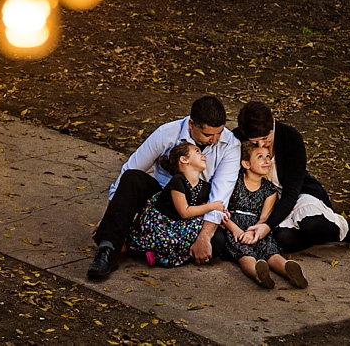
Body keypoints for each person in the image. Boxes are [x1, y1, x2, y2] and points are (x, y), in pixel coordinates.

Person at [88, 96, 241, 279]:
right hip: (158, 204)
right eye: (208, 135)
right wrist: (112, 216)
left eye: (219, 133)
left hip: (193, 211)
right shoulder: (166, 133)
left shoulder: (231, 145)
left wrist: (204, 237)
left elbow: (220, 195)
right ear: (192, 124)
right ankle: (108, 249)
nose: (214, 140)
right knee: (132, 177)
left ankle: (134, 241)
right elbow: (132, 168)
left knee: (215, 244)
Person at [233, 101, 350, 252]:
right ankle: (321, 235)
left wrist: (267, 226)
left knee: (312, 223)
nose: (261, 145)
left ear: (273, 124)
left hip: (296, 194)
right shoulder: (237, 138)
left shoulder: (291, 138)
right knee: (283, 239)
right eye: (254, 142)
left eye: (264, 139)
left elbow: (291, 193)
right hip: (264, 200)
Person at [223, 142, 308, 289]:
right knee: (245, 252)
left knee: (270, 249)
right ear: (246, 164)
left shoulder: (269, 189)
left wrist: (253, 230)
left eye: (268, 156)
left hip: (257, 227)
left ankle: (288, 270)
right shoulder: (235, 182)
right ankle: (258, 273)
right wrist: (236, 230)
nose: (267, 160)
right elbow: (222, 211)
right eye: (260, 156)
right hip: (234, 225)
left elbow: (264, 217)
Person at [127, 142, 226, 267]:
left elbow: (201, 207)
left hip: (180, 224)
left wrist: (220, 211)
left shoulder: (205, 187)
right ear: (184, 159)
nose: (203, 155)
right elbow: (184, 211)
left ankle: (160, 253)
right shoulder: (178, 181)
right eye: (197, 151)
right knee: (165, 238)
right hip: (163, 222)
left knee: (206, 231)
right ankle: (145, 250)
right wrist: (212, 206)